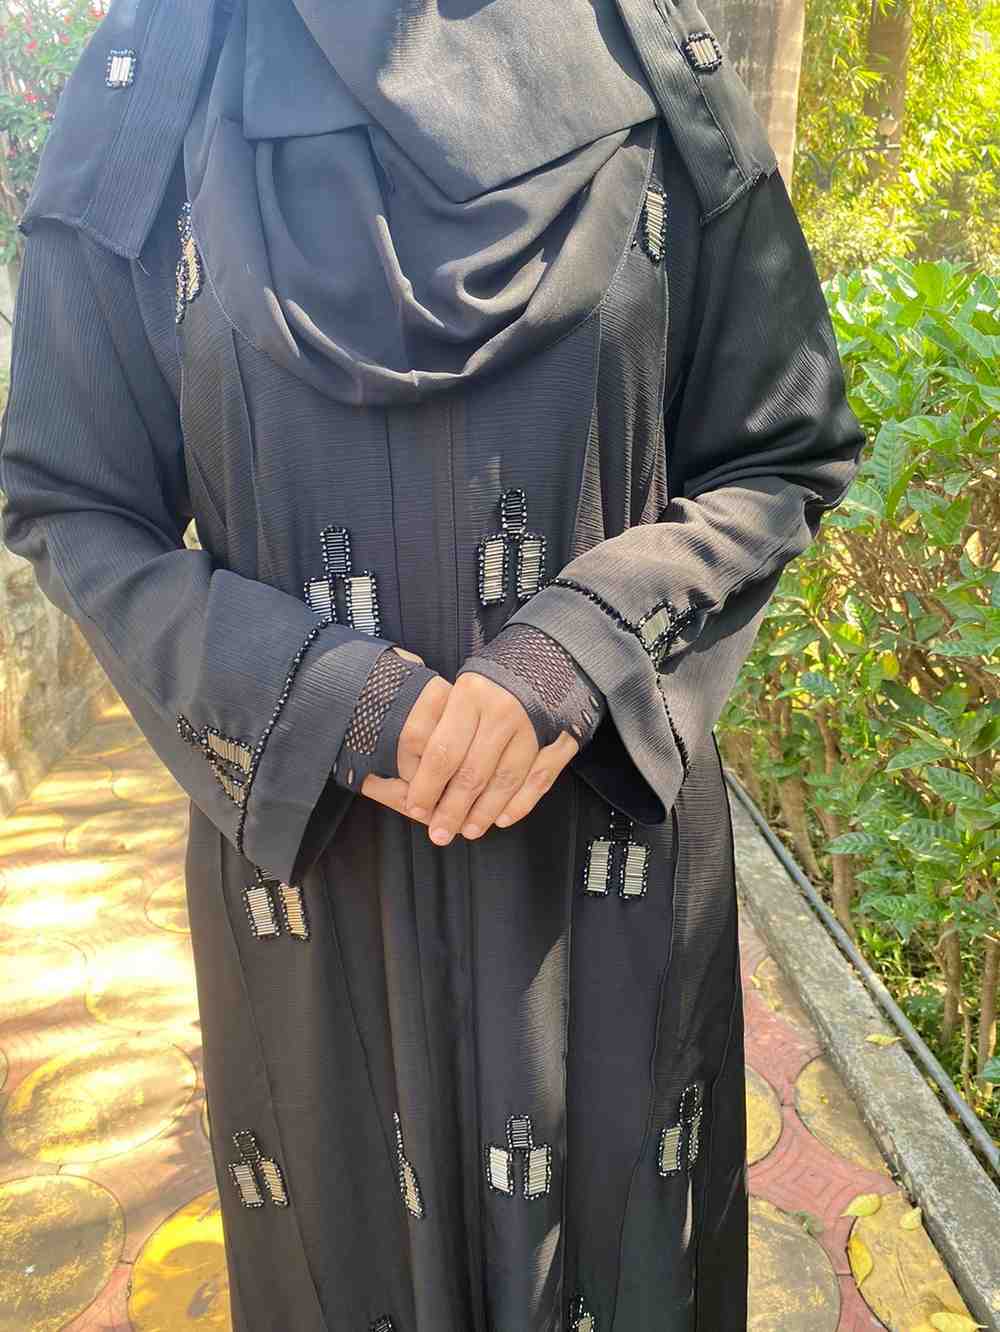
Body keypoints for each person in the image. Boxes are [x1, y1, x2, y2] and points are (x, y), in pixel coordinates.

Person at [0, 0, 866, 1328]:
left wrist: (580, 650)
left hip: (599, 869)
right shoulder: (156, 85)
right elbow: (73, 494)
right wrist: (324, 699)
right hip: (317, 885)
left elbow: (779, 449)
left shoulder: (651, 61)